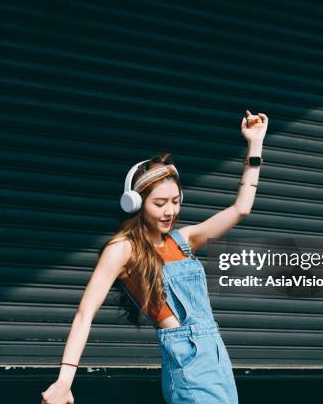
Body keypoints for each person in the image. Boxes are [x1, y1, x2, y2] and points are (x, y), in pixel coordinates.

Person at [41, 110, 268, 404]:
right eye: (159, 203)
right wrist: (64, 380)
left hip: (216, 356)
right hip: (187, 361)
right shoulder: (123, 249)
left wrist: (255, 144)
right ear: (135, 203)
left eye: (175, 202)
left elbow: (241, 209)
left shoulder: (184, 240)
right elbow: (85, 313)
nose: (170, 211)